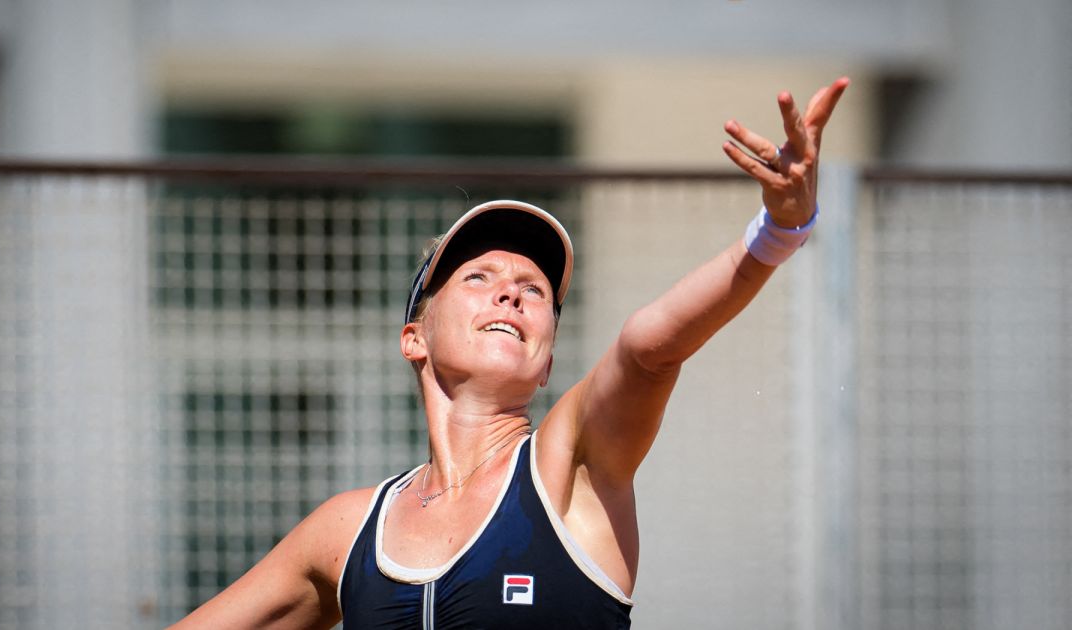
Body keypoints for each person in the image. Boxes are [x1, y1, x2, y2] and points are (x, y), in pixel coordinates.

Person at [170, 77, 850, 629]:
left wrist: (778, 232)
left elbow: (647, 349)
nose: (512, 295)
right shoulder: (347, 532)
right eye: (478, 278)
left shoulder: (567, 466)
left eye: (534, 290)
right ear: (415, 337)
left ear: (548, 361)